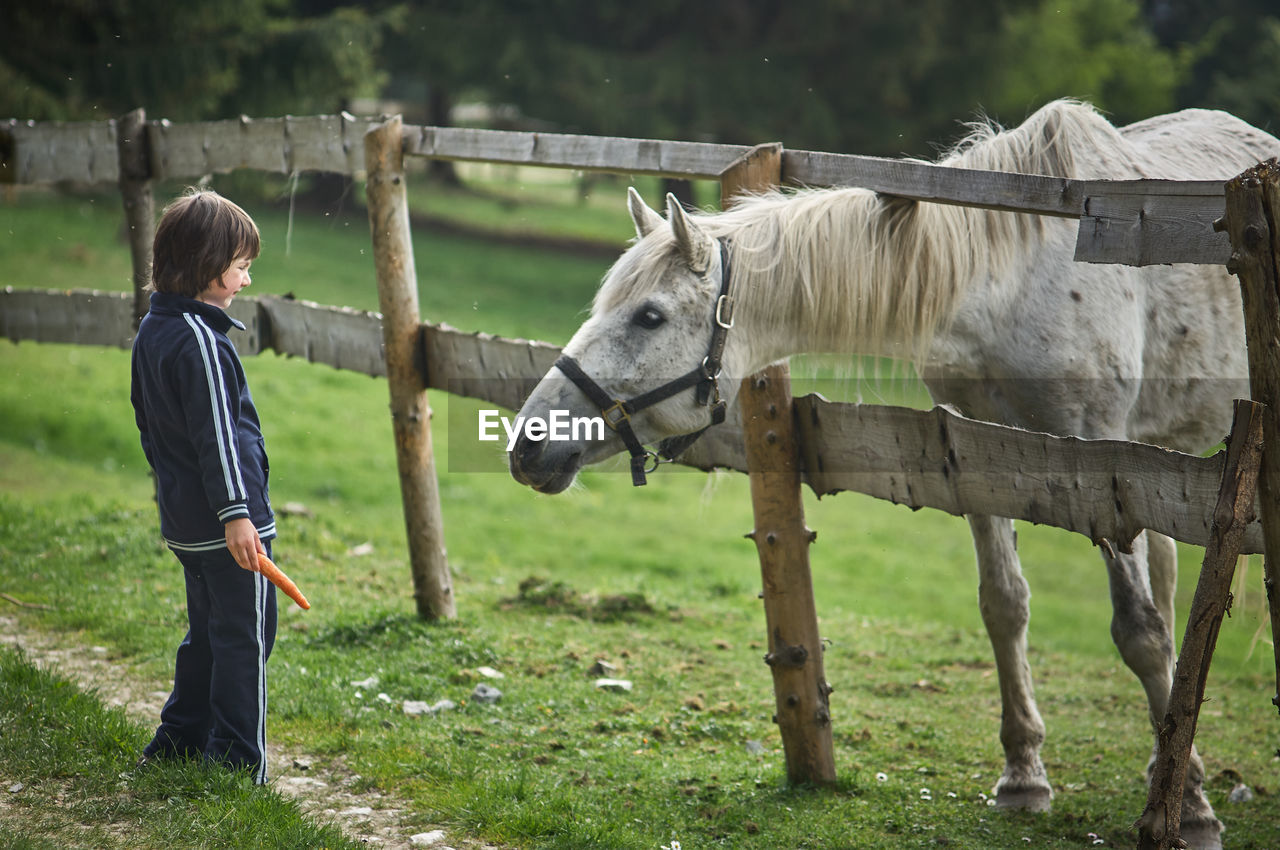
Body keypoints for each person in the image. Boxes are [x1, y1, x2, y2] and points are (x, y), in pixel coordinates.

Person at [130, 188, 276, 784]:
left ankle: (182, 739)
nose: (244, 280)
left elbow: (152, 431)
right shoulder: (199, 340)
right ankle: (239, 763)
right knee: (245, 640)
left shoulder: (153, 330)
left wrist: (186, 509)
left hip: (190, 523)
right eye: (241, 266)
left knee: (209, 636)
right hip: (231, 526)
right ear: (209, 264)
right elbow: (217, 435)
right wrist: (237, 513)